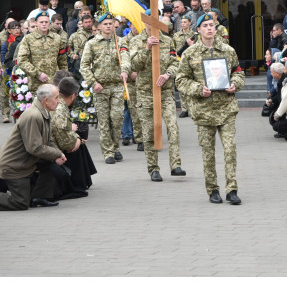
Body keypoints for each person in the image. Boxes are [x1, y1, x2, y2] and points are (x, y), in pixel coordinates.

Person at [175, 13, 245, 205]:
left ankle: (232, 189)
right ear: (198, 30)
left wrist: (234, 84)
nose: (209, 28)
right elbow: (180, 80)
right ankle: (213, 189)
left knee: (230, 149)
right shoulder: (190, 53)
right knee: (208, 152)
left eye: (211, 25)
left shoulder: (228, 50)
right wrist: (198, 89)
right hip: (204, 110)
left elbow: (239, 73)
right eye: (205, 25)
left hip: (226, 108)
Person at [130, 24, 186, 182]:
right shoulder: (136, 41)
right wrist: (146, 48)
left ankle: (176, 165)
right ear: (145, 24)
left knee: (173, 126)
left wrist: (168, 74)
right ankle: (153, 168)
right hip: (145, 92)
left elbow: (175, 62)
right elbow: (134, 66)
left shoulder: (168, 41)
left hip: (165, 91)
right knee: (149, 132)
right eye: (150, 23)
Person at [0, 84, 67, 210]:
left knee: (51, 163)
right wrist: (57, 154)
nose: (59, 101)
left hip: (27, 162)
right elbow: (34, 148)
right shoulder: (33, 115)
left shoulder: (43, 112)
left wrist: (57, 153)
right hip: (15, 166)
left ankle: (40, 197)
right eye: (57, 98)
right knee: (20, 203)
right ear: (46, 100)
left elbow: (48, 140)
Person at [80, 13, 130, 164]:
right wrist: (93, 82)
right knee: (103, 121)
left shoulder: (120, 41)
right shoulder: (92, 43)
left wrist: (125, 70)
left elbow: (126, 57)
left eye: (111, 23)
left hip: (116, 86)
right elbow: (84, 66)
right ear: (99, 26)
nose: (108, 26)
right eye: (105, 24)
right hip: (100, 87)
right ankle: (108, 152)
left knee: (116, 119)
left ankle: (115, 148)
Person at [50, 76, 97, 193]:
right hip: (52, 148)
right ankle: (78, 183)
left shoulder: (59, 105)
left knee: (79, 141)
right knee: (77, 147)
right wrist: (78, 140)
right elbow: (67, 145)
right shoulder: (60, 109)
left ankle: (84, 179)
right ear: (72, 96)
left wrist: (76, 138)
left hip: (52, 143)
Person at [16, 11, 69, 96]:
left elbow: (62, 61)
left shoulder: (57, 38)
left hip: (54, 83)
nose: (44, 24)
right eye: (41, 22)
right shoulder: (28, 39)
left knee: (56, 108)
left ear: (50, 23)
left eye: (46, 22)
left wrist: (64, 78)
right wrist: (37, 74)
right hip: (37, 84)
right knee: (39, 108)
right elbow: (22, 60)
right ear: (36, 23)